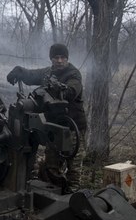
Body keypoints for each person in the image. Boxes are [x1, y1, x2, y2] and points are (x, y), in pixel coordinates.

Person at [6, 43, 87, 192]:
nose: (60, 60)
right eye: (56, 57)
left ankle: (73, 195)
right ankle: (56, 192)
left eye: (63, 57)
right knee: (52, 164)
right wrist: (18, 71)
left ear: (67, 58)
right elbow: (31, 76)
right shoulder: (49, 73)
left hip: (73, 127)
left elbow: (72, 91)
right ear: (51, 59)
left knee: (74, 165)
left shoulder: (73, 74)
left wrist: (60, 88)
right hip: (54, 128)